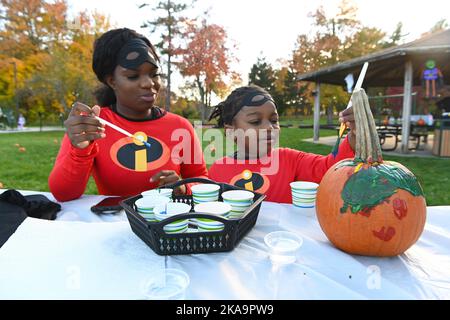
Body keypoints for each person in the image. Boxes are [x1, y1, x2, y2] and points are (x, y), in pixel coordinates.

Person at [49, 28, 208, 202]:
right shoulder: (93, 126)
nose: (148, 83)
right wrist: (80, 151)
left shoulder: (180, 126)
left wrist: (184, 188)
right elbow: (63, 194)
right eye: (133, 76)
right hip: (112, 225)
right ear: (112, 81)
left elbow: (202, 181)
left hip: (166, 224)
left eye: (154, 74)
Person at [208, 85, 356, 203]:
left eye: (274, 120)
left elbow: (330, 169)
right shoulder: (217, 170)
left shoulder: (289, 159)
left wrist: (354, 136)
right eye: (255, 121)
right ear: (231, 131)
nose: (269, 127)